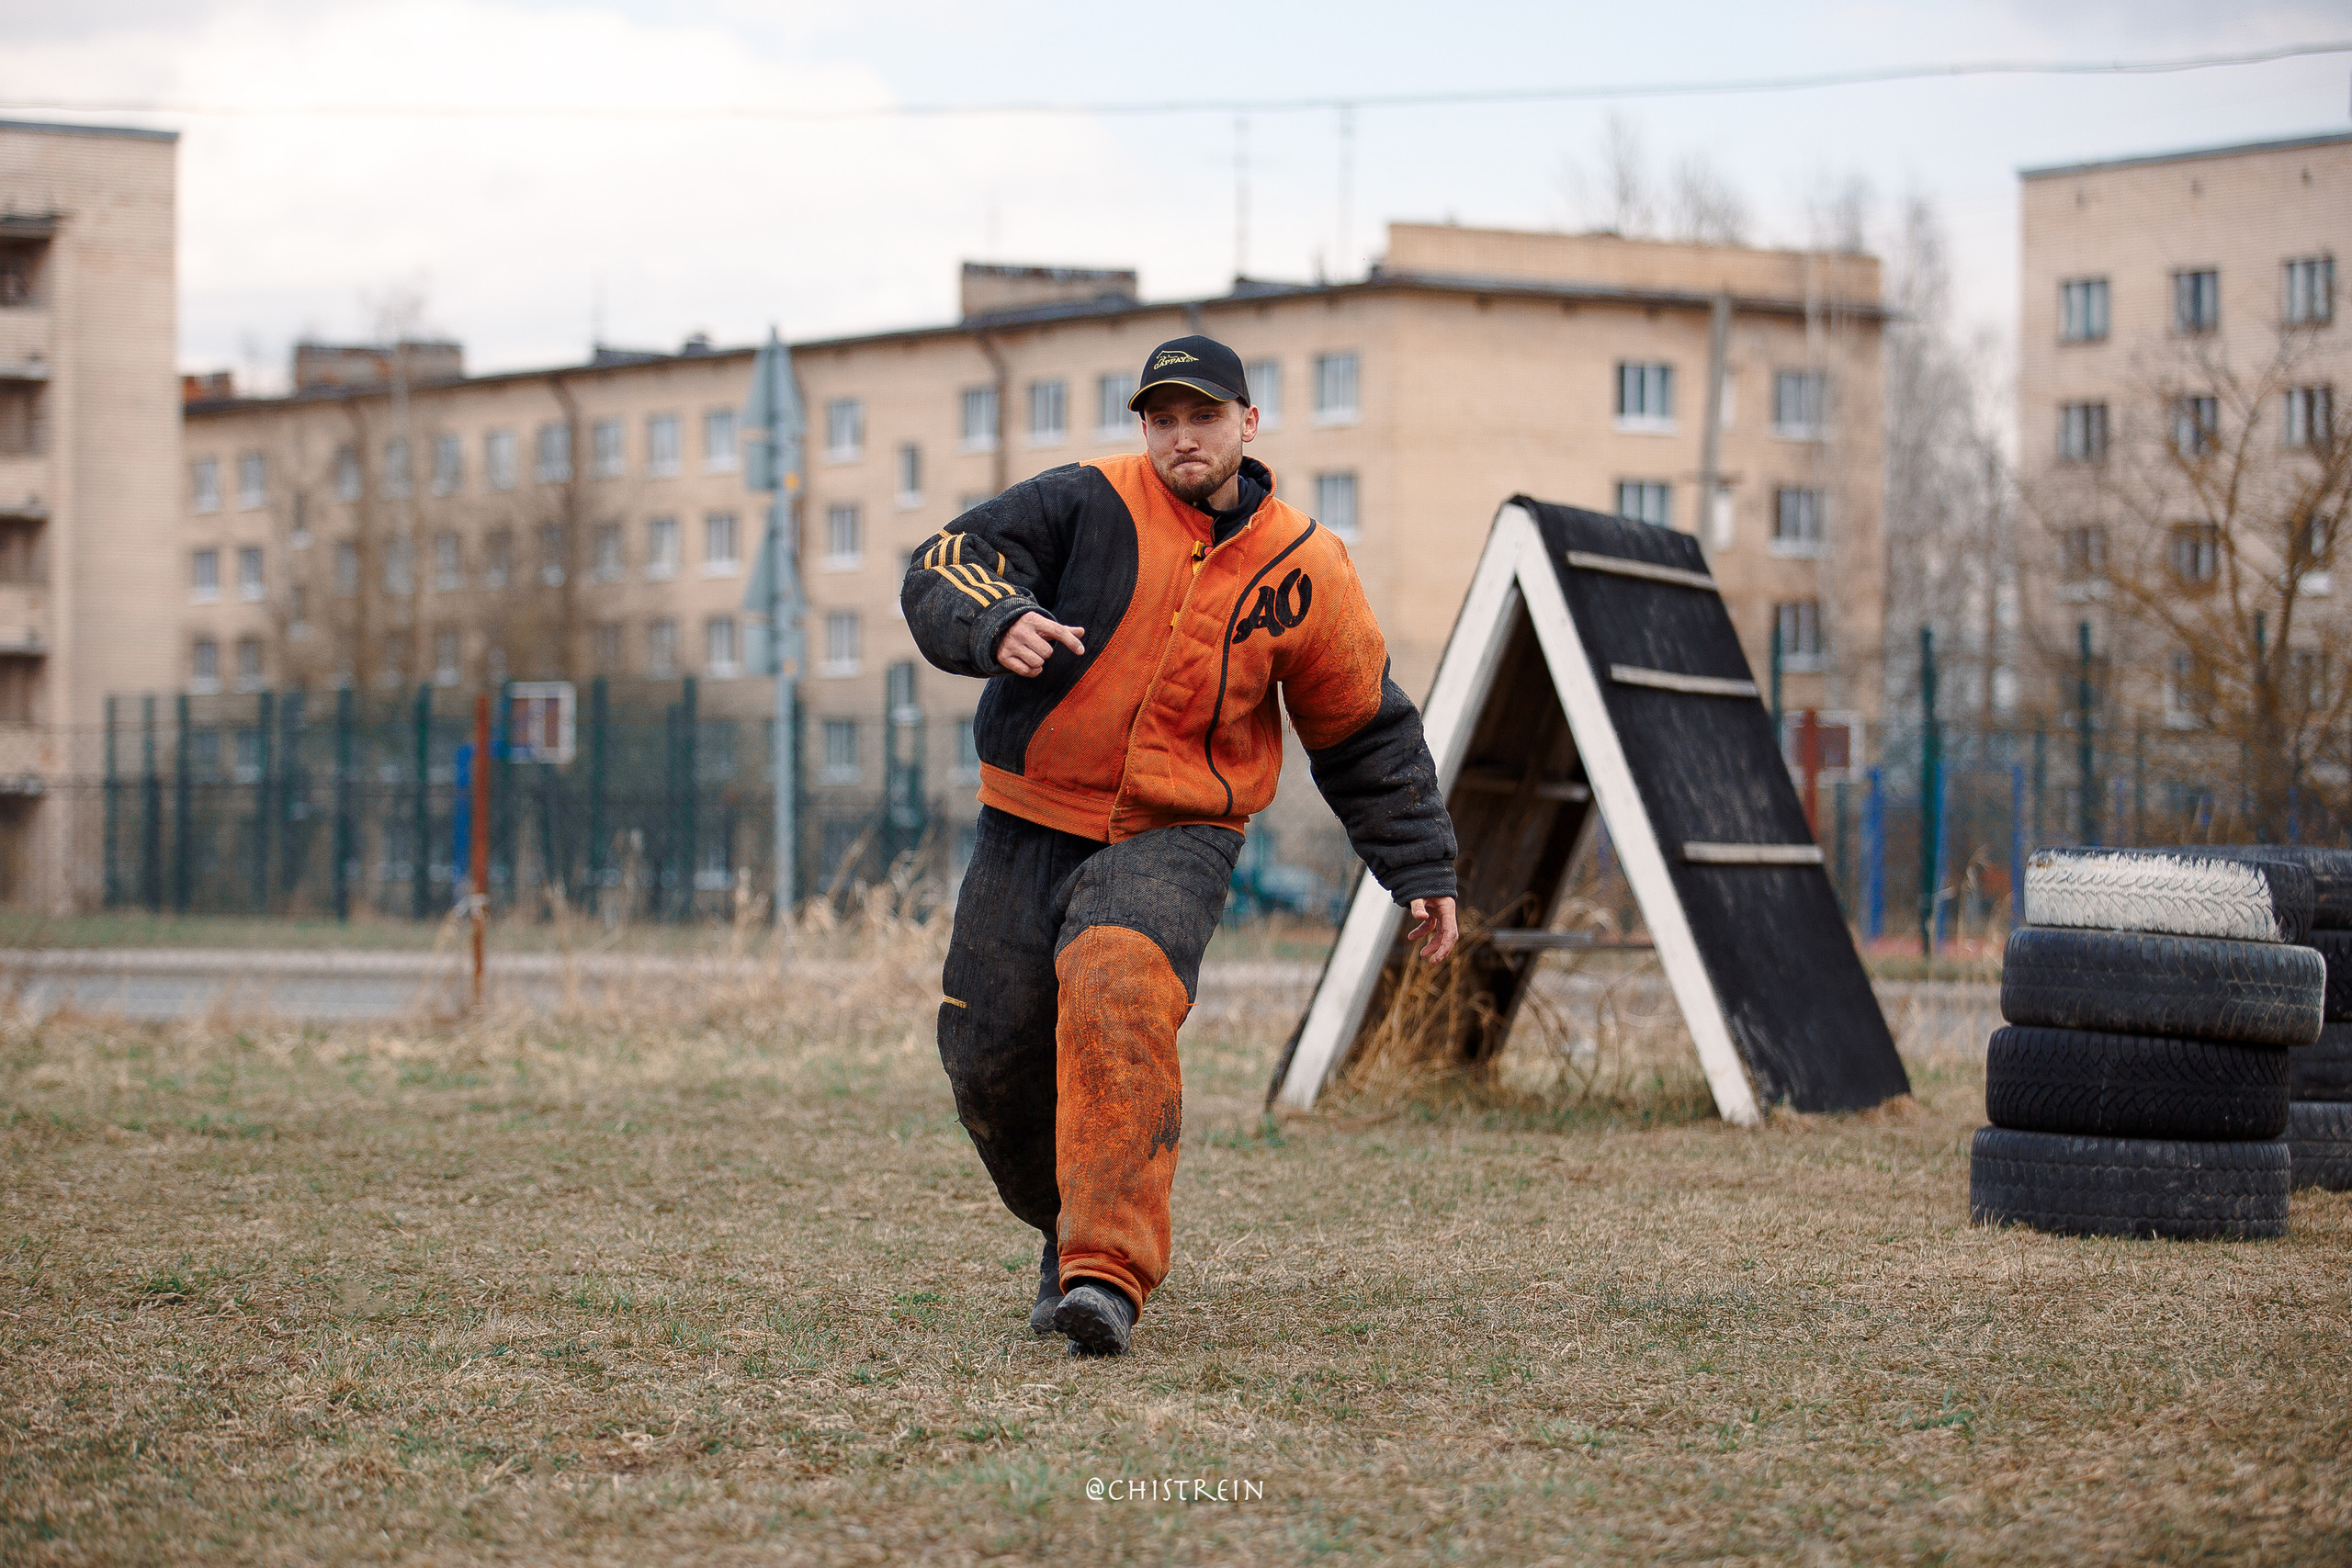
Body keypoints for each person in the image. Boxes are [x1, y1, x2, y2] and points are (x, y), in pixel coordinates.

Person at [902, 333, 1458, 1357]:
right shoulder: (1084, 501)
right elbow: (948, 563)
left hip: (1177, 832)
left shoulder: (1307, 563)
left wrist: (1418, 866)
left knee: (1117, 985)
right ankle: (1067, 1227)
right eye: (1161, 418)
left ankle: (1104, 1275)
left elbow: (1364, 728)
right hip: (1030, 818)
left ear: (1249, 424)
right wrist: (998, 622)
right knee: (989, 1060)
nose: (1180, 436)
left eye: (1202, 416)